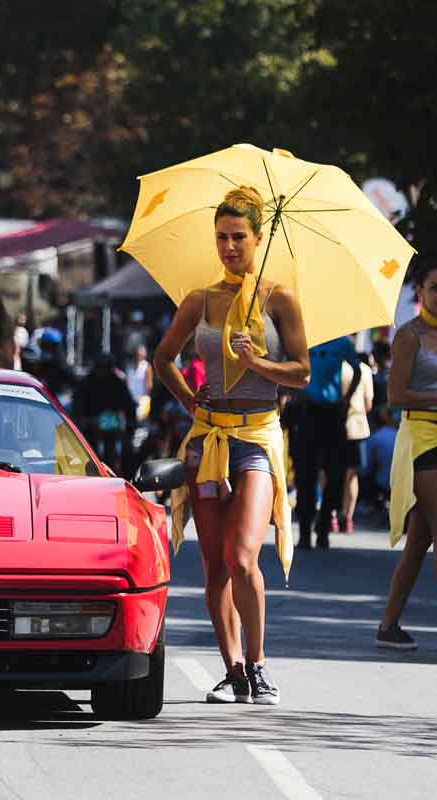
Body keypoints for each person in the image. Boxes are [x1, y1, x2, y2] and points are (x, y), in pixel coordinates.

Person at [153, 186, 310, 706]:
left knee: (243, 556)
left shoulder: (279, 298)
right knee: (215, 566)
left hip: (257, 437)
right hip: (207, 439)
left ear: (258, 239)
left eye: (238, 237)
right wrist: (190, 404)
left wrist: (259, 361)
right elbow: (163, 360)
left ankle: (259, 664)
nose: (229, 247)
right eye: (221, 237)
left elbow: (302, 373)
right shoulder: (200, 300)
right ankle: (234, 670)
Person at [375, 261, 437, 654]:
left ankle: (388, 625)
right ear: (420, 291)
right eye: (435, 288)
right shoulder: (408, 336)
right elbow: (394, 396)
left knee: (421, 540)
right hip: (420, 441)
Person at [294, 335, 361, 548]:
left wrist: (346, 398)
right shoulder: (302, 338)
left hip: (332, 413)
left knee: (335, 474)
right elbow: (285, 367)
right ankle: (305, 532)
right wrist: (294, 391)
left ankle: (323, 527)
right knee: (305, 474)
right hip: (306, 413)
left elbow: (357, 369)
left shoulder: (342, 342)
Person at [71, 352, 137, 475]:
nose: (104, 372)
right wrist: (82, 422)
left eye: (107, 367)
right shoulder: (86, 383)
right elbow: (77, 406)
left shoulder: (118, 383)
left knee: (129, 451)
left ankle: (127, 477)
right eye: (101, 367)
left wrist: (130, 425)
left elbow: (130, 405)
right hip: (91, 426)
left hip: (114, 426)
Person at [340, 353, 374, 533]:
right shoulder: (365, 370)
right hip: (358, 427)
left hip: (336, 426)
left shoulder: (336, 367)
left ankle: (331, 515)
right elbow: (369, 404)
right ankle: (348, 517)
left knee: (328, 471)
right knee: (352, 475)